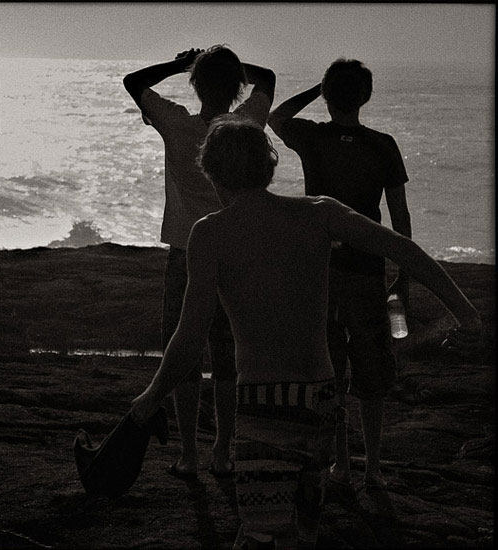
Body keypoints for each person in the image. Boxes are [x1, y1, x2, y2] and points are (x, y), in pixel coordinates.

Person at [128, 117, 481, 549]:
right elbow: (403, 248)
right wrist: (466, 314)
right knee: (302, 531)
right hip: (321, 400)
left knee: (262, 532)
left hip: (264, 404)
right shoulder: (318, 214)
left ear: (213, 173)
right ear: (268, 167)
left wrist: (148, 400)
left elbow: (188, 337)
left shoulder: (211, 234)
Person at [123, 45, 276, 478]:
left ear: (195, 86)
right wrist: (230, 66)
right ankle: (223, 452)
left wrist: (180, 63)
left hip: (188, 254)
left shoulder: (176, 124)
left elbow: (133, 82)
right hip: (238, 253)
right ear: (236, 88)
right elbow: (269, 78)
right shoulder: (247, 124)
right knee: (229, 358)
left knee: (183, 354)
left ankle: (189, 454)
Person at [267, 59, 412, 491]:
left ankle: (342, 466)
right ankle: (373, 468)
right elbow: (399, 216)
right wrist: (404, 275)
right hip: (368, 270)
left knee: (330, 372)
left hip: (322, 271)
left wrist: (318, 89)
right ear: (366, 97)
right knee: (372, 376)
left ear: (329, 96)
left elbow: (276, 117)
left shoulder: (313, 137)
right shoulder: (383, 144)